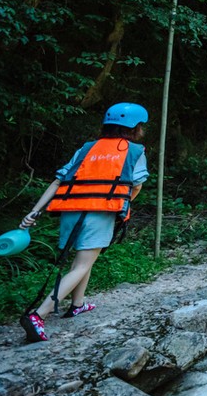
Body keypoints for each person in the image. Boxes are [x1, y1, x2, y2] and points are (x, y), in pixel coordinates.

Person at [19, 102, 150, 341]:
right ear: (136, 127)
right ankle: (40, 314)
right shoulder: (134, 150)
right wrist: (123, 204)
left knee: (81, 260)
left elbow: (59, 181)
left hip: (71, 208)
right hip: (100, 211)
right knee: (82, 264)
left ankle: (77, 304)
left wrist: (35, 211)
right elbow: (137, 185)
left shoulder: (87, 147)